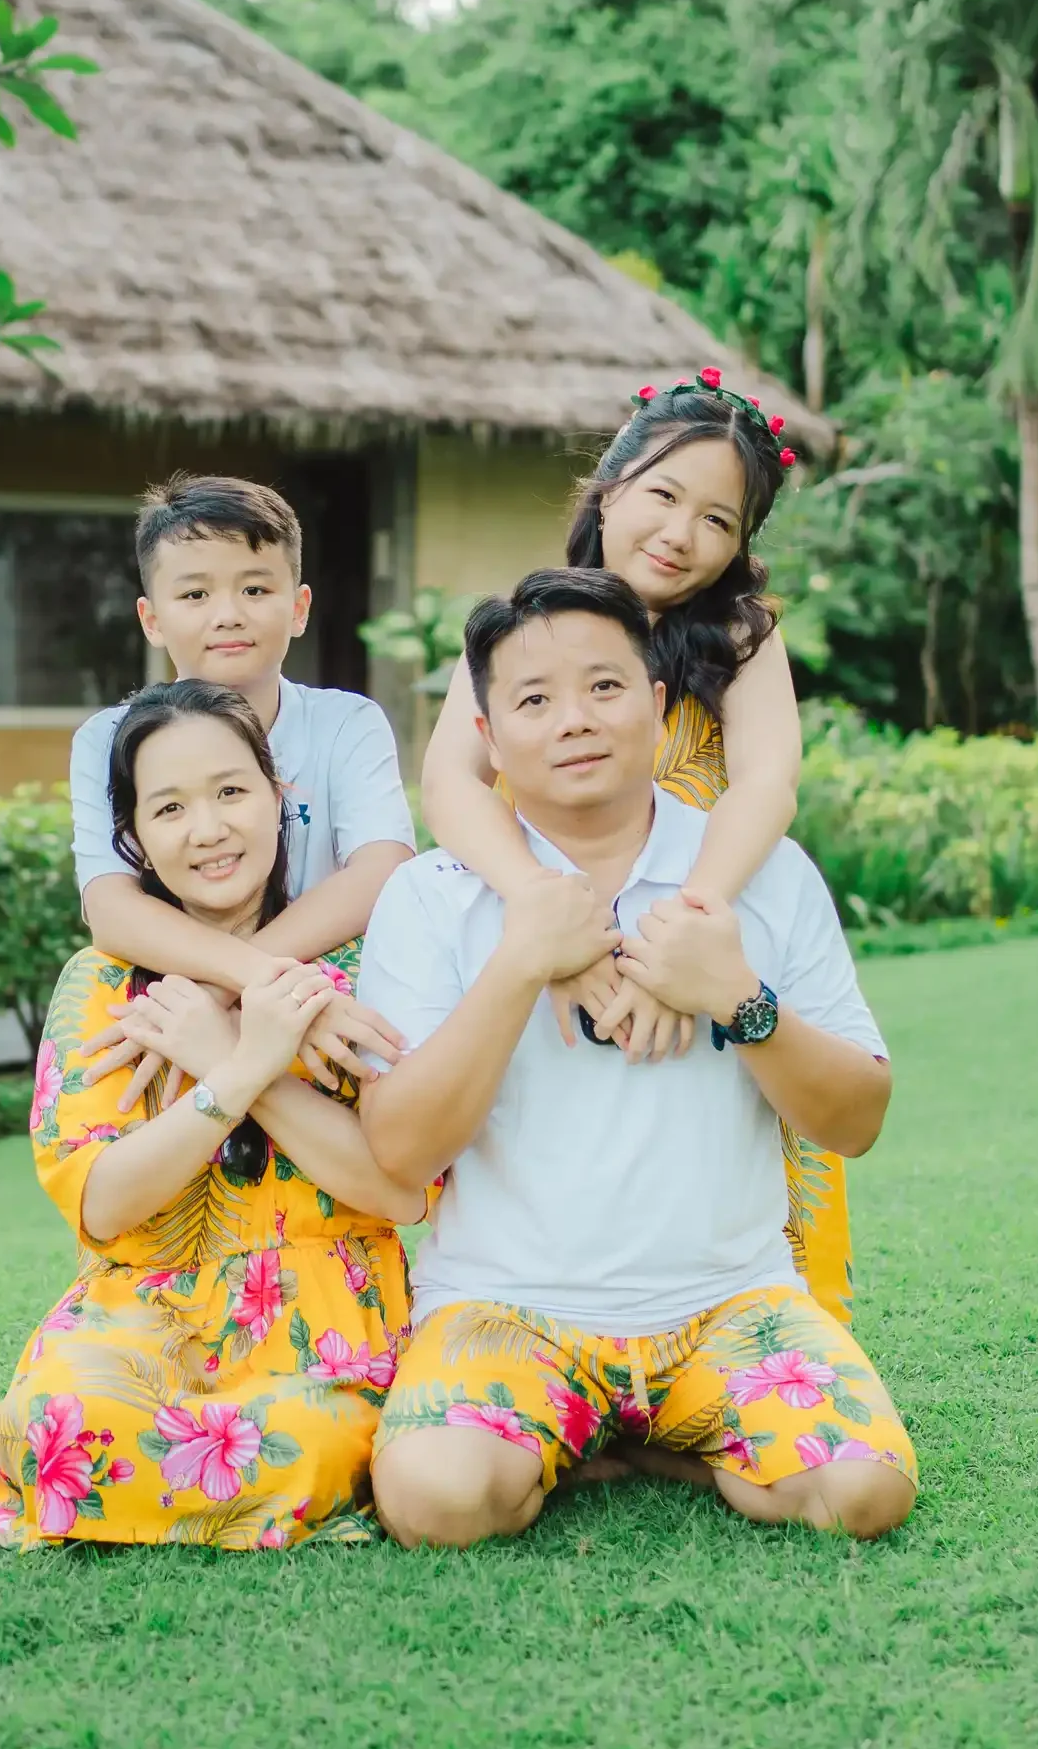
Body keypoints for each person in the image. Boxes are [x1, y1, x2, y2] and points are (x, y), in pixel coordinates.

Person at [357, 570, 916, 1548]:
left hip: (730, 1303)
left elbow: (857, 1120)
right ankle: (596, 1429)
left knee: (861, 1494)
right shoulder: (433, 896)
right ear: (486, 737)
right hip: (506, 1309)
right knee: (435, 1500)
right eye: (534, 700)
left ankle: (653, 1438)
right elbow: (401, 1148)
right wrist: (523, 959)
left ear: (658, 707)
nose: (574, 719)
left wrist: (737, 1001)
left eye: (605, 688)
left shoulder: (760, 875)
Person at [0, 681, 428, 1549]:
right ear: (134, 838)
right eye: (171, 807)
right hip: (144, 1309)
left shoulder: (363, 968)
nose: (210, 829)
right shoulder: (102, 986)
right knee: (62, 1425)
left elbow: (397, 1192)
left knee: (320, 1452)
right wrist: (240, 1074)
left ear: (279, 800)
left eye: (231, 792)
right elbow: (104, 1205)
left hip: (327, 1323)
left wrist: (230, 1054)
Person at [422, 374, 854, 1327]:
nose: (681, 533)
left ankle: (739, 1357)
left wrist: (679, 938)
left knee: (726, 1151)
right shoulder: (520, 624)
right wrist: (552, 922)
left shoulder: (741, 635)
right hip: (553, 919)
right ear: (609, 487)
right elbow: (452, 782)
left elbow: (765, 785)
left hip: (698, 920)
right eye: (662, 496)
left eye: (718, 520)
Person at [72, 472, 415, 1110]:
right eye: (195, 593)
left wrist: (226, 989)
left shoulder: (347, 723)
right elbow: (111, 908)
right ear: (151, 618)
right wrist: (257, 979)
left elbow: (384, 870)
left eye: (255, 588)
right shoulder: (107, 739)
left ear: (300, 606)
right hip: (174, 1031)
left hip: (324, 1028)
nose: (228, 613)